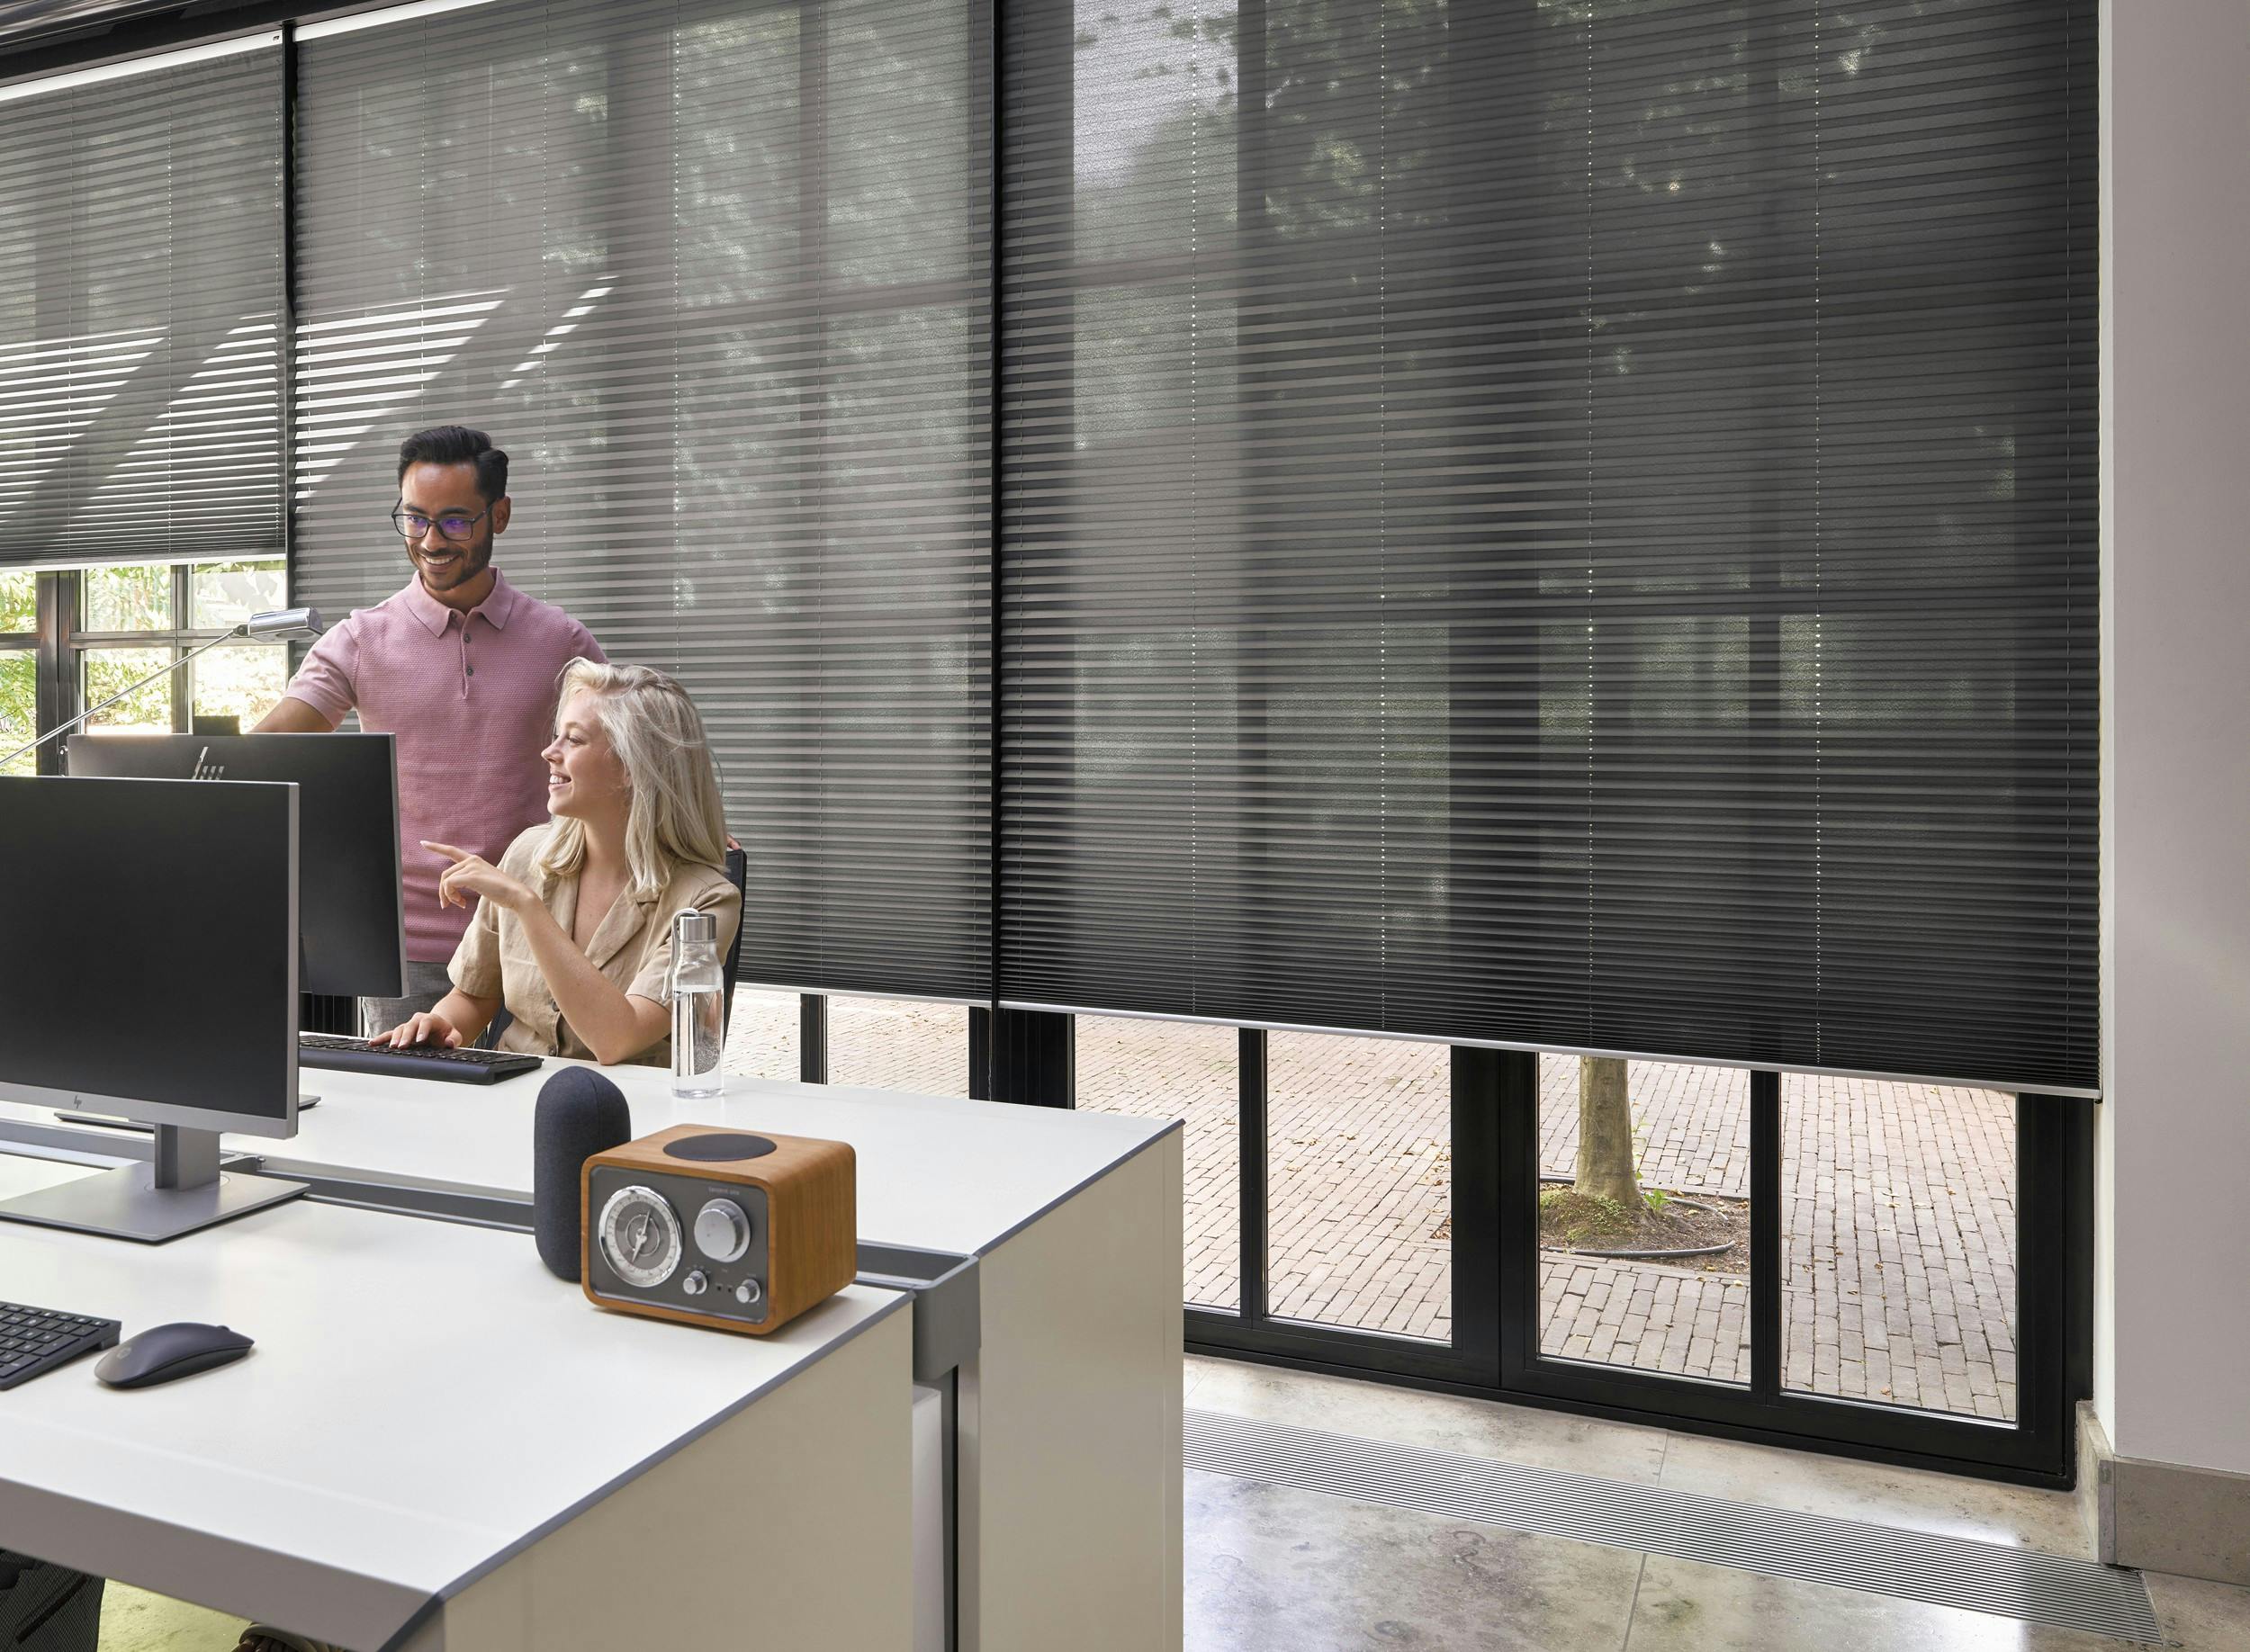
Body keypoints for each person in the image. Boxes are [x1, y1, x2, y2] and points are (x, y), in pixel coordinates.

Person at [255, 425, 607, 1038]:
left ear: (499, 514)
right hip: (405, 947)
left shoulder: (562, 643)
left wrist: (680, 822)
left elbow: (621, 756)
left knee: (532, 1121)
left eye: (454, 521)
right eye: (414, 519)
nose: (430, 541)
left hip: (537, 932)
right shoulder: (361, 640)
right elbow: (268, 751)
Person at [373, 660, 740, 1067]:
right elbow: (474, 995)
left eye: (575, 741)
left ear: (632, 768)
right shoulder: (528, 854)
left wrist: (527, 907)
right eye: (556, 736)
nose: (550, 752)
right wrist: (439, 1023)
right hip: (510, 1097)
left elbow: (617, 1040)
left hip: (629, 1113)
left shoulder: (706, 902)